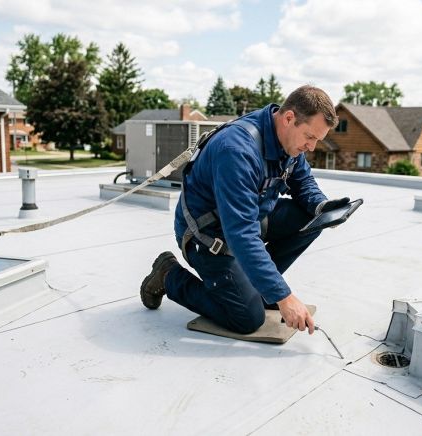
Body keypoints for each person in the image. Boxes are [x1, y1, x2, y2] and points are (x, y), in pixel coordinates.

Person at [140, 85, 349, 335]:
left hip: (249, 219)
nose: (312, 147)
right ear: (289, 118)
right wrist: (283, 296)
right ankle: (168, 275)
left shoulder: (288, 139)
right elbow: (241, 234)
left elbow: (302, 181)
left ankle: (255, 286)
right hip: (207, 235)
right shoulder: (237, 151)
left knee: (313, 219)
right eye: (310, 137)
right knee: (248, 319)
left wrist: (321, 206)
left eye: (317, 139)